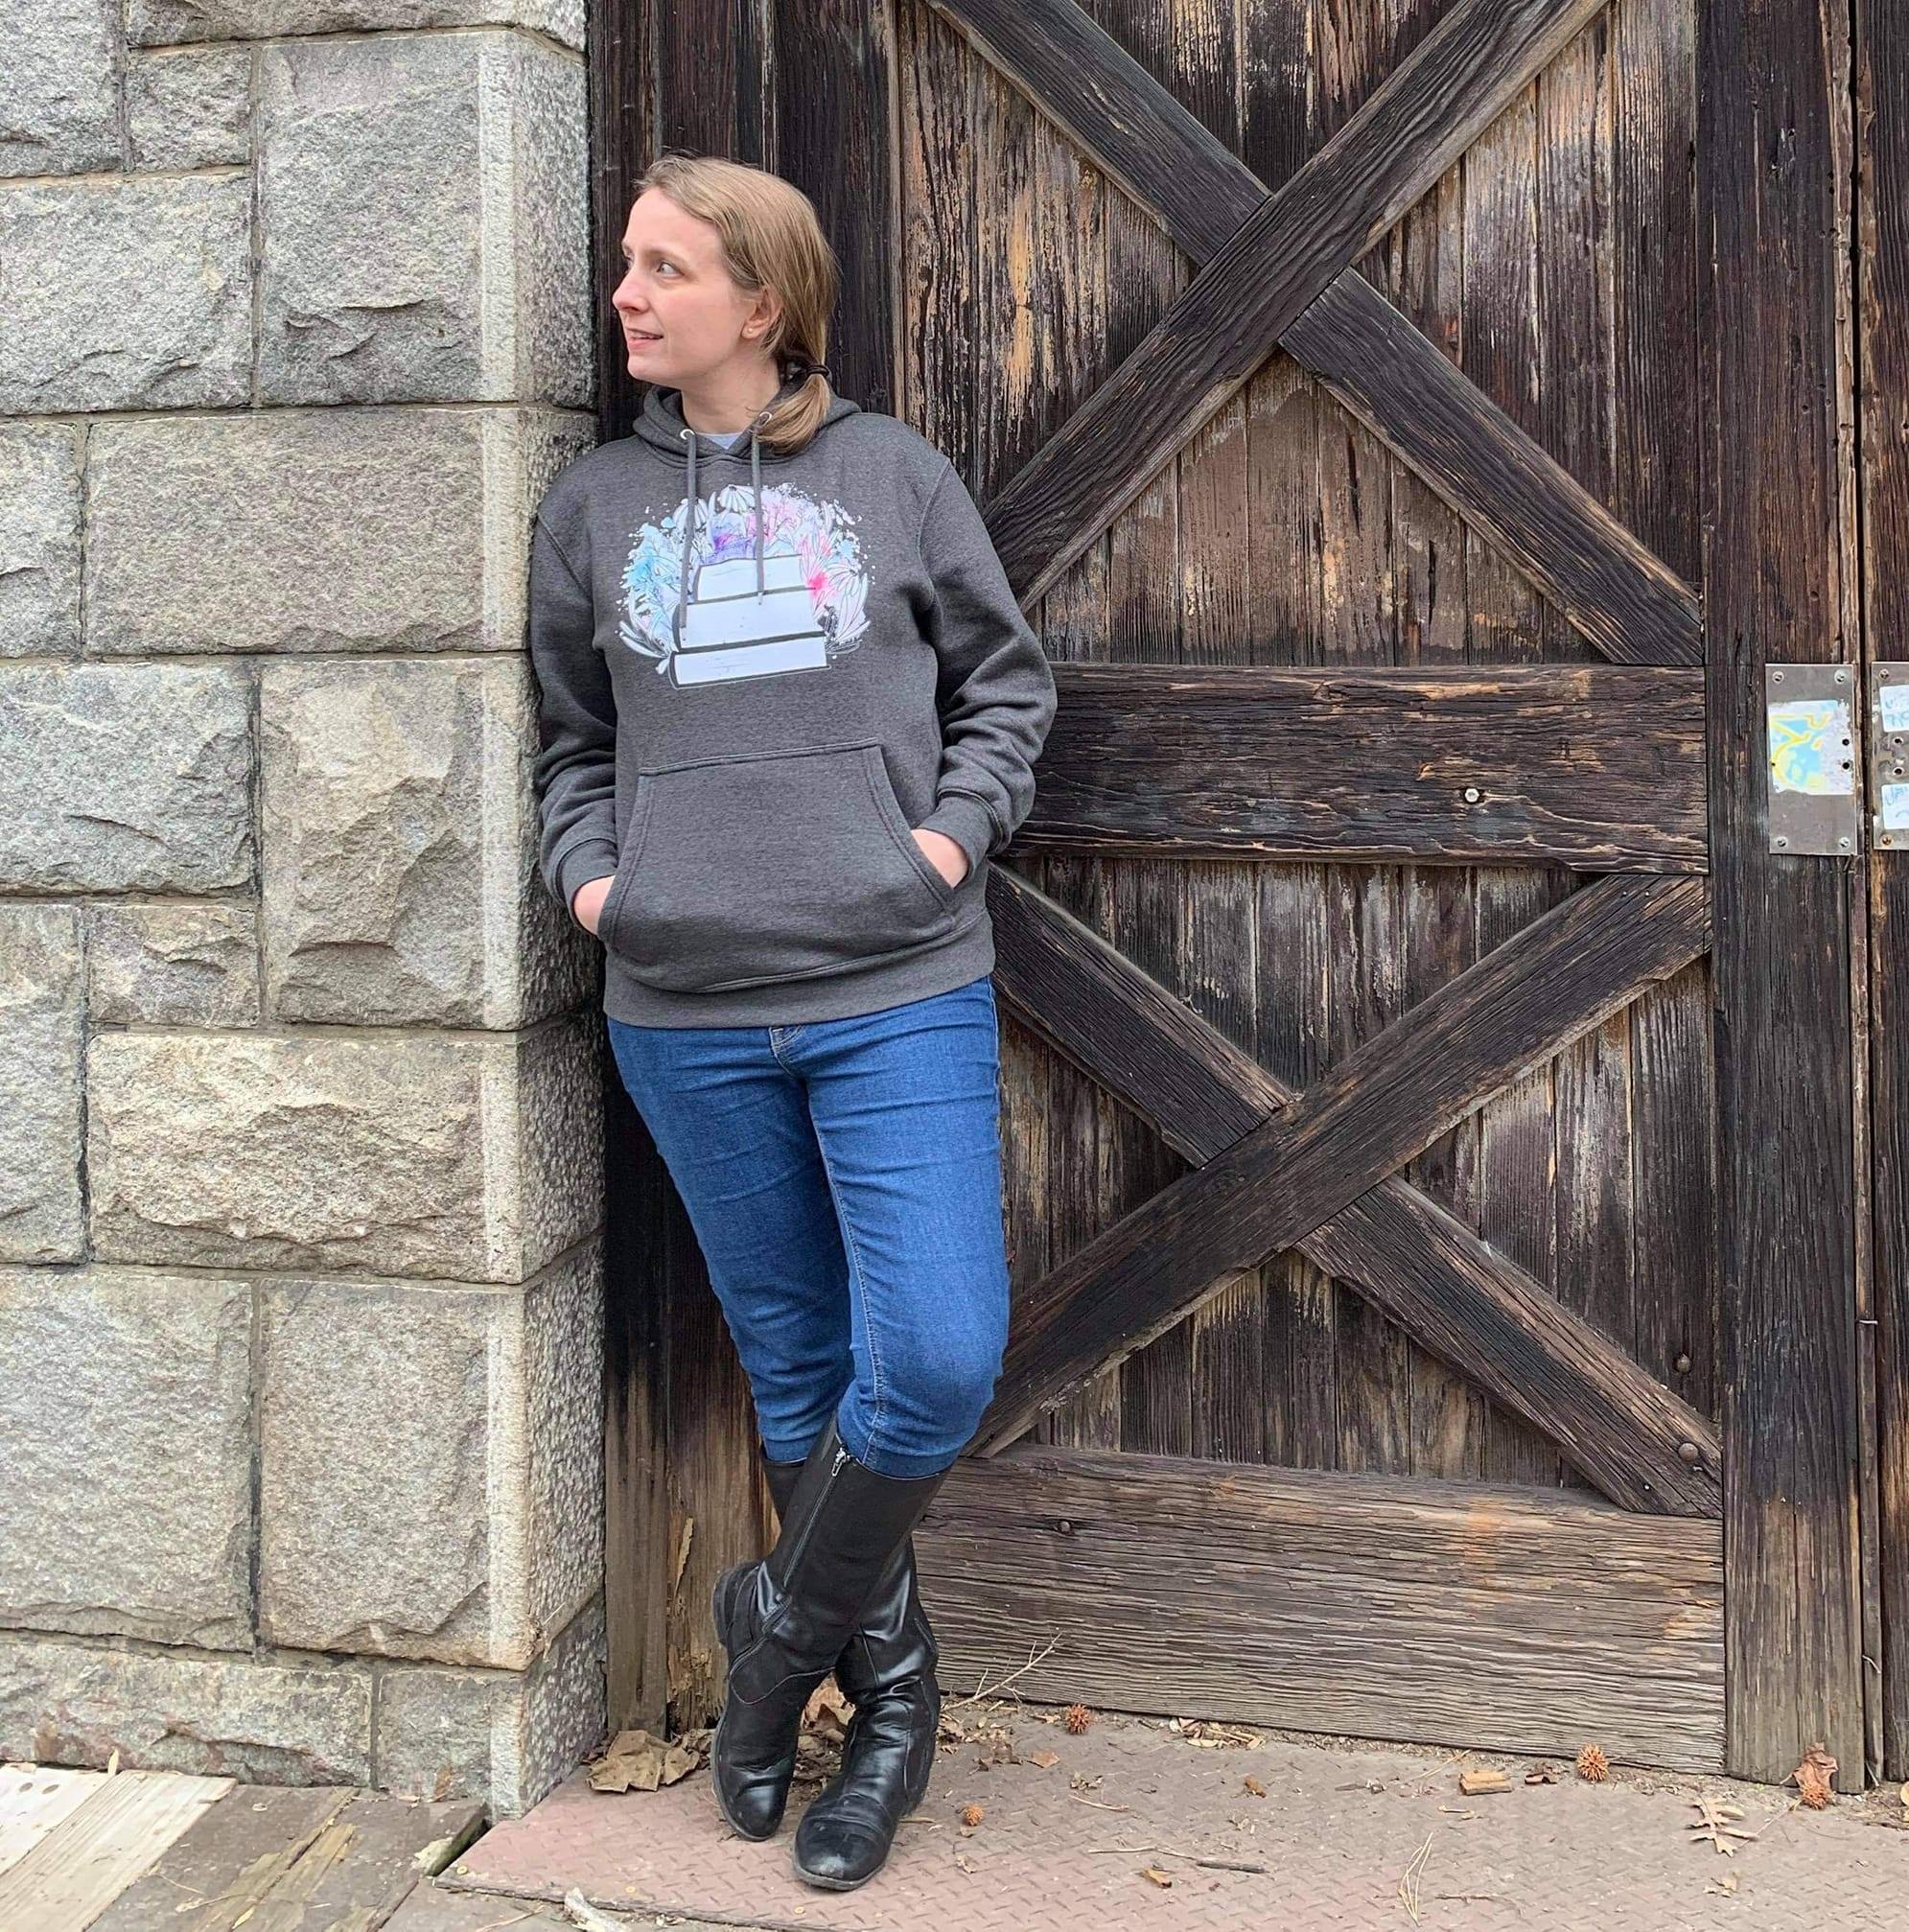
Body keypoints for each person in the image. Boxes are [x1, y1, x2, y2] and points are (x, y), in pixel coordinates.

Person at [525, 151, 1058, 1890]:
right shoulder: (594, 505)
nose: (625, 293)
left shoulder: (894, 476)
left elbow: (1006, 688)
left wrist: (940, 844)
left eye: (664, 267)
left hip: (893, 986)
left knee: (937, 1357)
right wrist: (601, 891)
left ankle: (768, 1642)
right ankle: (885, 1711)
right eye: (627, 262)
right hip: (684, 1007)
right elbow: (572, 742)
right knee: (802, 1367)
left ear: (762, 301)